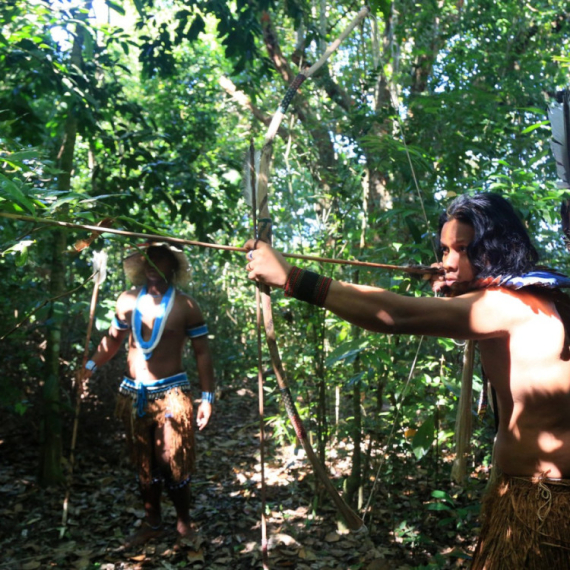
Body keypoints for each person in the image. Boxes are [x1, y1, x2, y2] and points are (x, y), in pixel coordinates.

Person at [244, 192, 570, 569]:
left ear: (495, 248)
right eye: (445, 250)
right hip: (531, 497)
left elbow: (396, 315)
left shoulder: (507, 303)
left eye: (462, 249)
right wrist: (457, 290)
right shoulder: (543, 298)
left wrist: (291, 278)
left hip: (546, 504)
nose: (448, 262)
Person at [83, 242, 215, 549]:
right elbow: (113, 340)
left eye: (161, 261)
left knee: (169, 459)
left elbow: (202, 354)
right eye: (149, 261)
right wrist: (89, 364)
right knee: (144, 462)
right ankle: (152, 522)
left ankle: (184, 524)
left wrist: (207, 397)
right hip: (134, 394)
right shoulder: (127, 301)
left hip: (172, 392)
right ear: (142, 267)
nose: (154, 267)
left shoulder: (186, 306)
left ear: (172, 267)